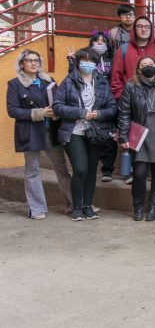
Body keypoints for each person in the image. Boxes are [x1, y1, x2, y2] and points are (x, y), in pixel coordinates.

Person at [7, 49, 73, 219]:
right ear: (22, 64)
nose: (33, 63)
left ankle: (73, 205)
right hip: (30, 132)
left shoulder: (48, 81)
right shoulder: (15, 84)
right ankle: (37, 209)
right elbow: (13, 110)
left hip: (51, 131)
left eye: (36, 60)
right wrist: (39, 113)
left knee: (62, 170)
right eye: (29, 60)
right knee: (32, 171)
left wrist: (56, 111)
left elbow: (59, 101)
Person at [53, 47, 117, 221]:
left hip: (95, 132)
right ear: (78, 61)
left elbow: (112, 108)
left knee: (90, 171)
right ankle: (77, 206)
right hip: (74, 131)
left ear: (96, 64)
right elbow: (57, 106)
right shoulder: (68, 81)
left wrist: (99, 114)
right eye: (84, 60)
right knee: (80, 169)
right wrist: (80, 112)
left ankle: (88, 206)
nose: (87, 64)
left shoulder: (102, 82)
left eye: (91, 61)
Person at [117, 56, 155, 222]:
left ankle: (154, 206)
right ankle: (138, 206)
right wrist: (123, 135)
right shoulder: (131, 86)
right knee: (140, 173)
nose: (147, 66)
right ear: (138, 69)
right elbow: (124, 112)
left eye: (150, 64)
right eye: (144, 64)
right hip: (140, 132)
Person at [68, 31, 117, 182]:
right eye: (97, 41)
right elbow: (73, 79)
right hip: (88, 104)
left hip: (107, 99)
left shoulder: (112, 58)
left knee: (109, 135)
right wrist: (71, 62)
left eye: (103, 41)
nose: (100, 43)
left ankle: (107, 169)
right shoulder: (83, 59)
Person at [111, 16, 155, 101]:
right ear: (134, 29)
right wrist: (121, 98)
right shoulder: (123, 50)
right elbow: (116, 77)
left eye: (147, 27)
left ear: (152, 30)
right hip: (130, 101)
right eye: (140, 26)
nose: (143, 29)